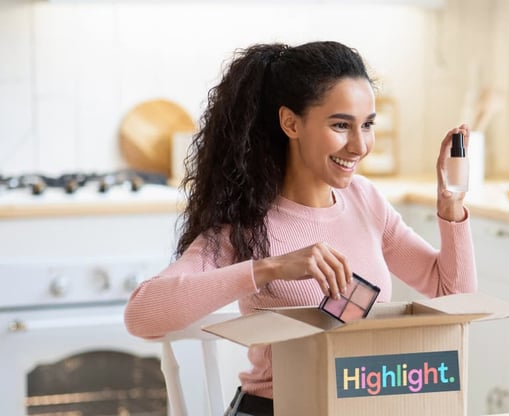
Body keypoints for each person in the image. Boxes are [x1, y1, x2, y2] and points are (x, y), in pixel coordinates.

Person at [123, 40, 477, 416]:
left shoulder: (365, 200)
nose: (359, 146)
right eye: (341, 125)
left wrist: (451, 207)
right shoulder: (246, 222)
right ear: (291, 123)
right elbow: (142, 316)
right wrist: (272, 267)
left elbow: (454, 297)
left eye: (368, 125)